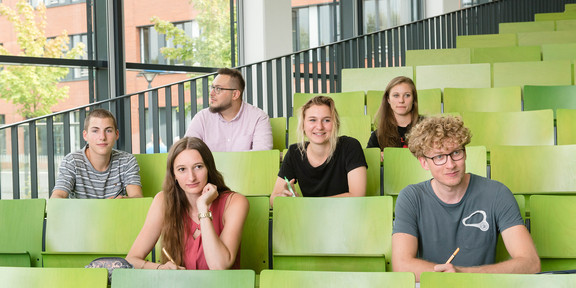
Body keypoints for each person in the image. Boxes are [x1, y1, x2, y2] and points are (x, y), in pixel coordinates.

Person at [391, 115, 540, 282]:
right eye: (439, 157)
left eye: (456, 152)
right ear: (424, 163)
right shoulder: (411, 198)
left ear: (465, 153)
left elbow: (531, 263)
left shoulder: (497, 193)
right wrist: (450, 277)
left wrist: (462, 274)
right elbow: (401, 265)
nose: (451, 164)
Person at [126, 137, 249, 270]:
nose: (191, 177)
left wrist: (202, 207)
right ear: (174, 175)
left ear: (209, 168)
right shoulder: (163, 201)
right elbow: (131, 260)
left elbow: (219, 265)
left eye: (198, 167)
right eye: (182, 169)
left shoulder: (235, 202)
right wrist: (159, 268)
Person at [270, 96, 367, 207]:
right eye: (312, 120)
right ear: (303, 125)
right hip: (308, 219)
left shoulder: (350, 146)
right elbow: (273, 200)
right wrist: (283, 198)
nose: (319, 127)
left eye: (326, 120)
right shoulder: (294, 152)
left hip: (345, 216)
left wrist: (305, 204)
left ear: (335, 124)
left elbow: (357, 196)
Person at [51, 109, 143, 199]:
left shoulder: (127, 161)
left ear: (117, 134)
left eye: (108, 131)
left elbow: (137, 197)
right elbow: (58, 195)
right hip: (81, 214)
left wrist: (124, 200)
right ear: (85, 135)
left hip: (116, 213)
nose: (102, 137)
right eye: (95, 131)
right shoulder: (72, 161)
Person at [185, 68, 273, 152]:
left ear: (235, 94)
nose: (211, 93)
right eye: (212, 88)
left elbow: (262, 156)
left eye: (218, 89)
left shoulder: (259, 118)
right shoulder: (202, 118)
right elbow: (187, 151)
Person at [367, 76, 421, 151]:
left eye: (407, 95)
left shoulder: (428, 128)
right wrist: (378, 157)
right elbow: (370, 160)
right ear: (388, 99)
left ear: (413, 99)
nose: (401, 100)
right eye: (396, 95)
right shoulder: (378, 136)